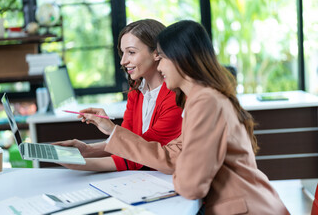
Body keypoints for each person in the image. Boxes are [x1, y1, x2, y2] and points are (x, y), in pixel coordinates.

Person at [74, 20, 289, 214]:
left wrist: (181, 170)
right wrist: (88, 152)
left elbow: (190, 184)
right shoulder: (203, 98)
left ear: (180, 59)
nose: (159, 66)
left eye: (162, 58)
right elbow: (172, 156)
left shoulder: (204, 103)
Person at [54, 19, 182, 172]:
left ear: (156, 53)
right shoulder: (136, 88)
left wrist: (82, 163)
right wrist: (87, 150)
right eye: (123, 53)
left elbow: (143, 152)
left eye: (132, 52)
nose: (123, 61)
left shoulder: (175, 96)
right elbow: (128, 140)